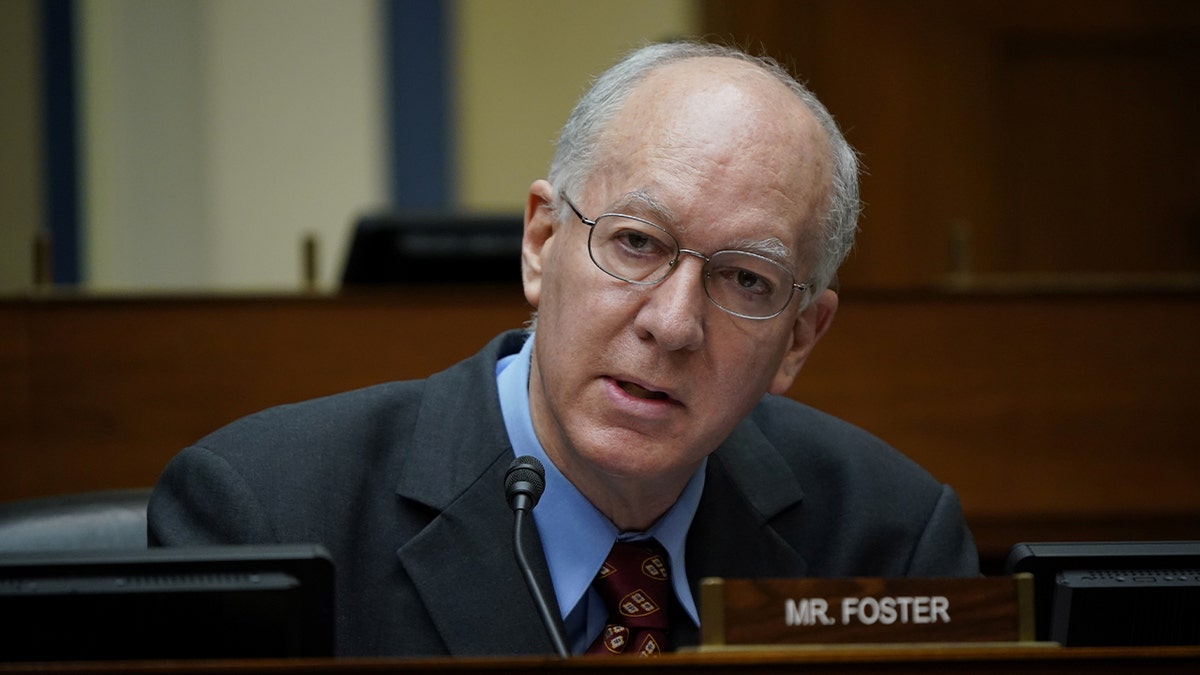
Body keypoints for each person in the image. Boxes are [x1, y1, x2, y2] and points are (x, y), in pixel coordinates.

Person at [149, 41, 979, 657]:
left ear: (800, 337)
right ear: (542, 243)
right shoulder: (269, 513)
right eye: (635, 243)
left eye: (748, 281)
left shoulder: (887, 540)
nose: (673, 323)